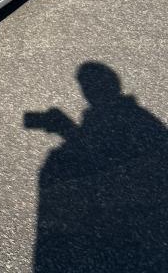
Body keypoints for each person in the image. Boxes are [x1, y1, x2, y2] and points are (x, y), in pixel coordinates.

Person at [25, 62, 168, 272]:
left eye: (87, 84)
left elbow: (106, 159)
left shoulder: (136, 121)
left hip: (126, 219)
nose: (86, 89)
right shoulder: (143, 120)